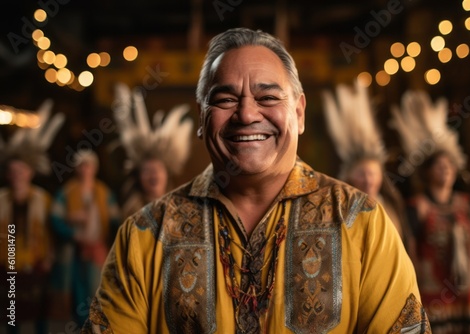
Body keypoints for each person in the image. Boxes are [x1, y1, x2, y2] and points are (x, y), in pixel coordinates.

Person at [82, 27, 430, 333]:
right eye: (226, 99)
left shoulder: (362, 222)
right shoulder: (145, 234)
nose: (247, 114)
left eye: (267, 97)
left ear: (299, 112)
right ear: (202, 118)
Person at [391, 90, 470, 333]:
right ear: (428, 172)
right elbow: (410, 249)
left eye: (449, 166)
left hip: (463, 288)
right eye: (440, 166)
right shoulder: (418, 207)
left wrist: (469, 273)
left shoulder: (465, 204)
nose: (446, 171)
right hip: (432, 290)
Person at [321, 82, 416, 259]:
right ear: (348, 176)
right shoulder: (341, 210)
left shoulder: (392, 205)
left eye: (372, 174)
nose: (368, 180)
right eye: (361, 174)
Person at [0, 99, 65, 334]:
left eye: (22, 170)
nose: (18, 175)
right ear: (8, 174)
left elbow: (51, 231)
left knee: (39, 312)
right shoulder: (1, 199)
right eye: (13, 171)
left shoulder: (42, 199)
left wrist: (49, 258)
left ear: (30, 172)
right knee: (11, 314)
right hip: (7, 265)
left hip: (36, 264)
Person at [50, 149, 121, 329]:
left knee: (96, 289)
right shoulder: (67, 192)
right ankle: (78, 325)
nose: (85, 169)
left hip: (97, 249)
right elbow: (55, 218)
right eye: (81, 165)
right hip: (74, 250)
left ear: (94, 168)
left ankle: (95, 326)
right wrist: (71, 226)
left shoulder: (104, 193)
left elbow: (116, 220)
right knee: (76, 291)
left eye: (88, 165)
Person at [111, 83, 193, 218]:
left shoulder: (180, 208)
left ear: (167, 175)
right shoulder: (131, 212)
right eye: (147, 171)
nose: (153, 174)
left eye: (157, 169)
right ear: (139, 178)